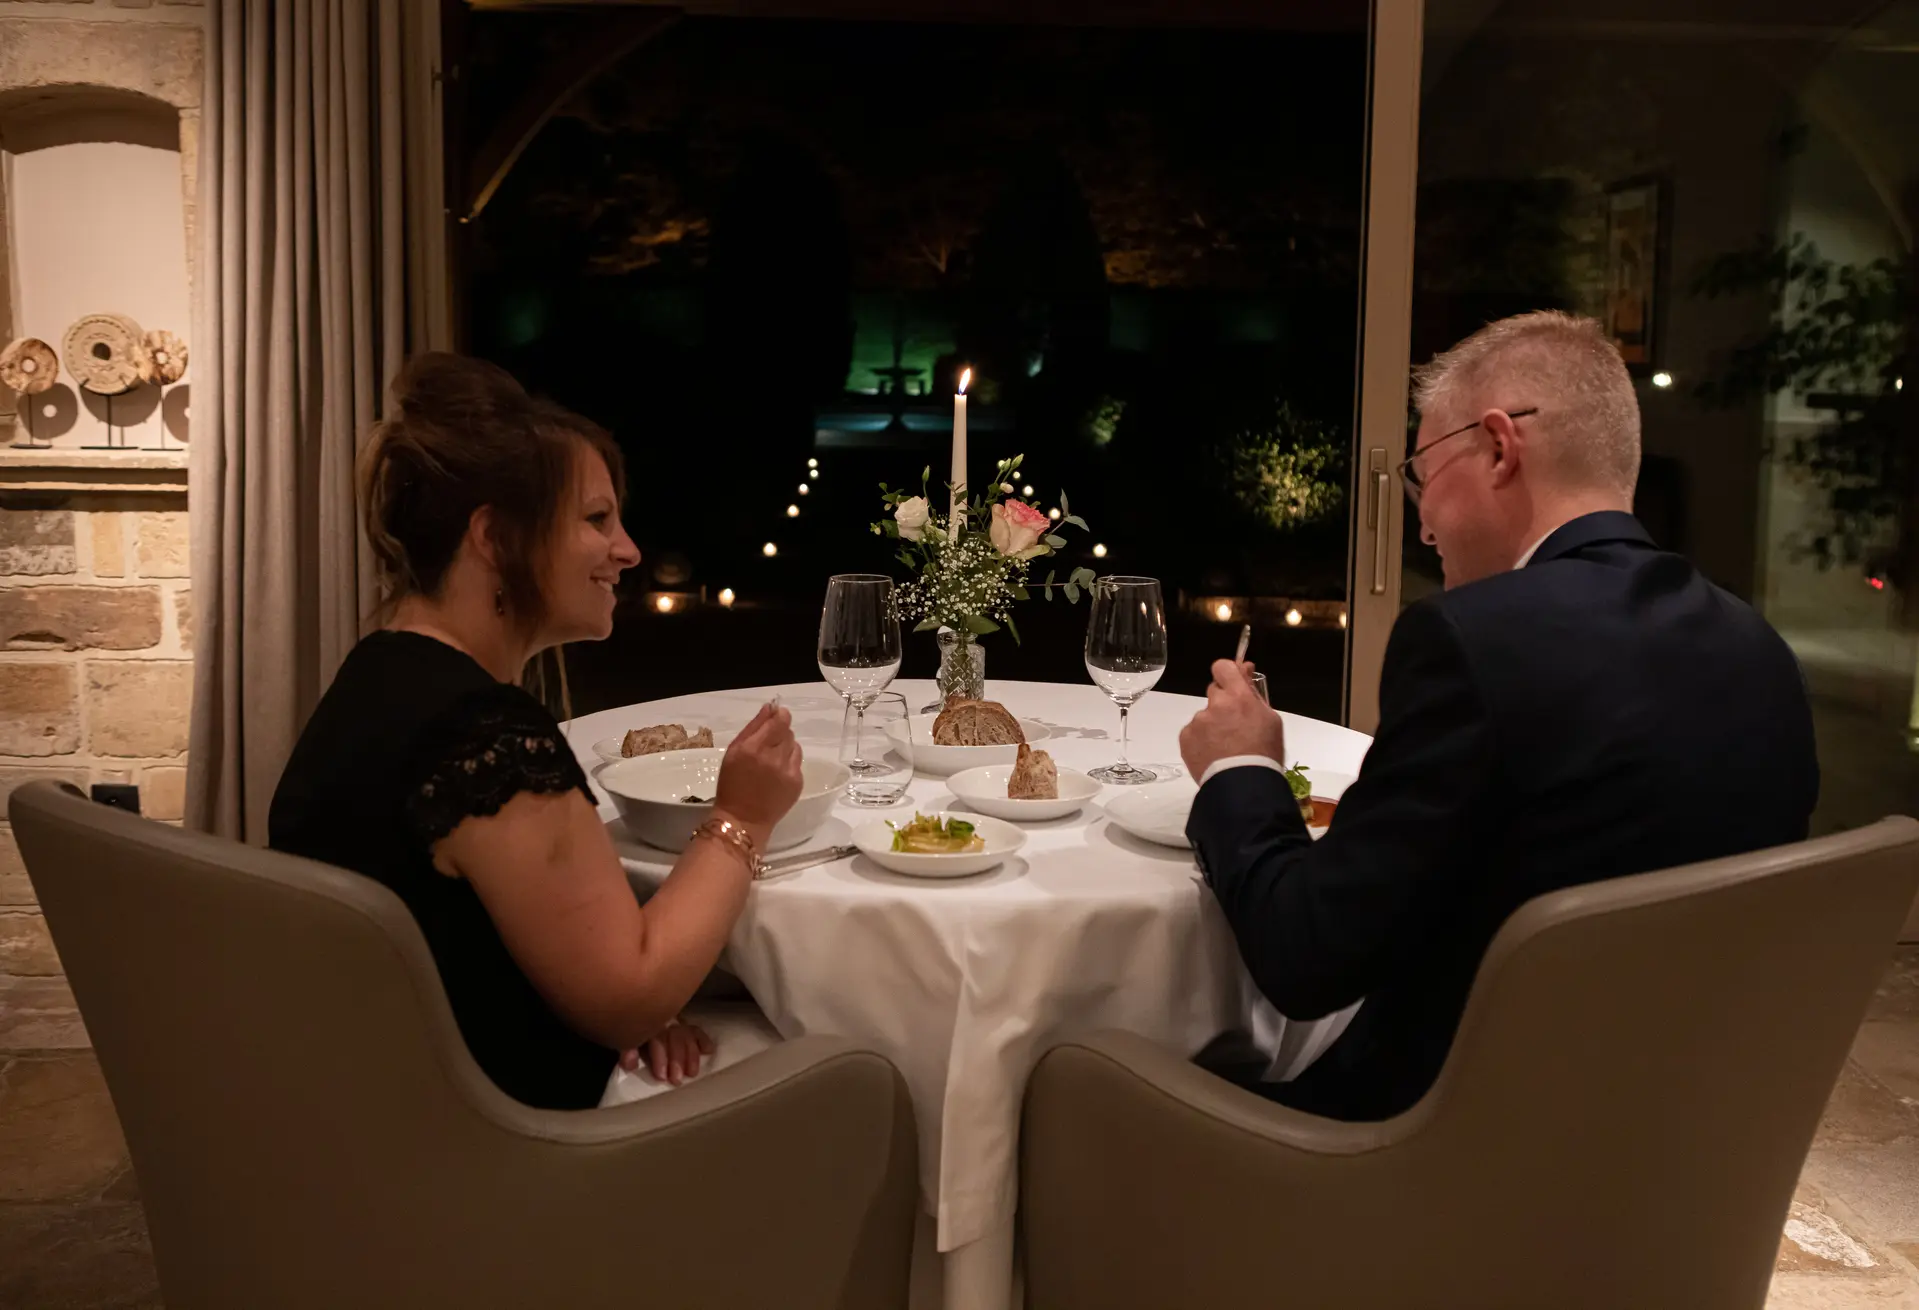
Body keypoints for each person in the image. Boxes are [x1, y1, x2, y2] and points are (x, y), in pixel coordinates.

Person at [1179, 311, 1819, 1122]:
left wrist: (1242, 767)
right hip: (1671, 1145)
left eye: (1421, 471)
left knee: (1070, 1076)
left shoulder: (1473, 641)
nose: (1419, 521)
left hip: (1433, 1163)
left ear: (1495, 447)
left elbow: (1307, 961)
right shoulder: (1759, 650)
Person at [270, 353, 803, 1111]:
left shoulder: (379, 675)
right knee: (847, 1060)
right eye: (595, 519)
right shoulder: (481, 737)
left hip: (376, 1098)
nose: (628, 550)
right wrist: (742, 815)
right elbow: (631, 998)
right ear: (493, 538)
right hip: (498, 1138)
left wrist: (610, 991)